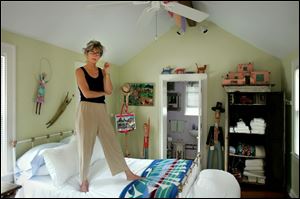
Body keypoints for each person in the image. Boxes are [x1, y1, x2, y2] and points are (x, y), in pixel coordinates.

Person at [75, 40, 140, 192]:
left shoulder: (101, 71)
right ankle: (83, 180)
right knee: (85, 146)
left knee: (111, 141)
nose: (95, 55)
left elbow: (109, 90)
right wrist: (103, 93)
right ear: (86, 53)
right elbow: (86, 93)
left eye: (98, 53)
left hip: (101, 109)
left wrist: (107, 73)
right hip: (86, 110)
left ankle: (128, 173)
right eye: (92, 52)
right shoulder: (80, 71)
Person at [206, 102, 225, 170]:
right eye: (216, 112)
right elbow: (209, 135)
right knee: (210, 157)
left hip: (219, 143)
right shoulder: (211, 128)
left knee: (220, 157)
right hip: (212, 142)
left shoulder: (220, 129)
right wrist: (207, 143)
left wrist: (222, 145)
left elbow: (222, 137)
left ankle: (220, 170)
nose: (217, 114)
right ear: (215, 113)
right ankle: (208, 169)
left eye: (219, 113)